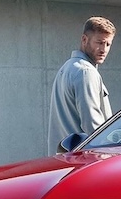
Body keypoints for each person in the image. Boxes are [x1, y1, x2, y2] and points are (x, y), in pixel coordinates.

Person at [49, 16, 116, 151]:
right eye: (99, 42)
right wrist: (111, 152)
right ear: (84, 40)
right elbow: (94, 127)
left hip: (63, 157)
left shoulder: (66, 68)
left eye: (108, 44)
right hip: (84, 158)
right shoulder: (86, 72)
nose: (103, 49)